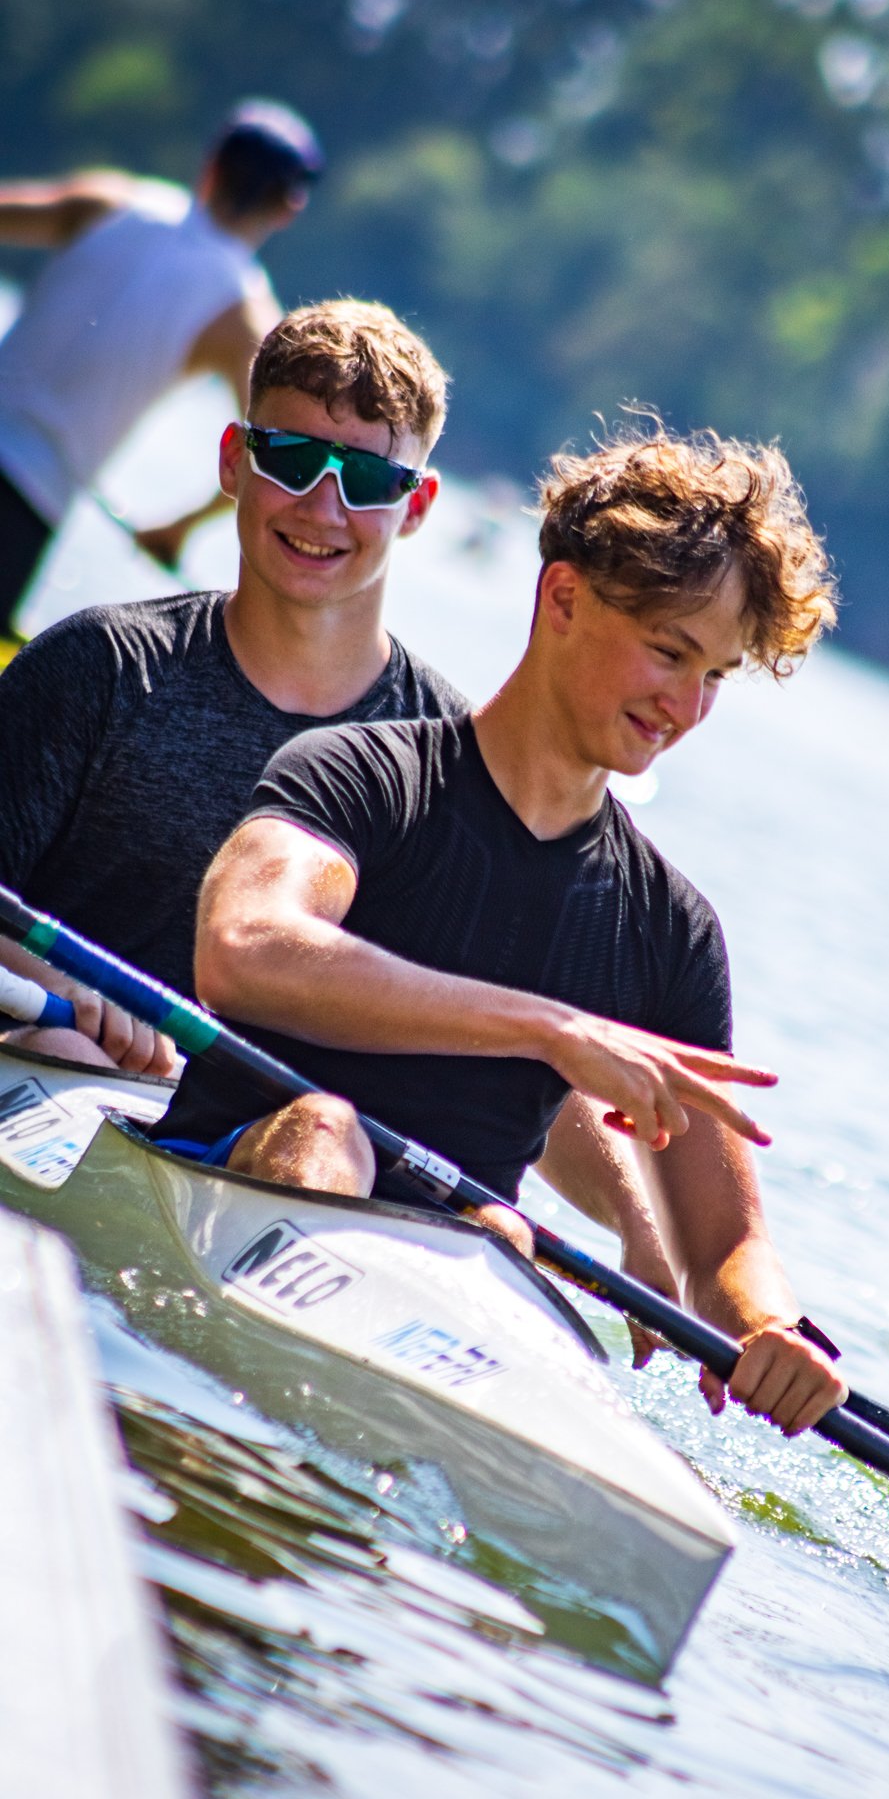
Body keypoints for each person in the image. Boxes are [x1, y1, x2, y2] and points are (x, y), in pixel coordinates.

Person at [154, 424, 848, 1432]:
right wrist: (549, 1029)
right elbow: (244, 950)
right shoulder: (359, 775)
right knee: (327, 1130)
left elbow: (723, 1248)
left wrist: (776, 1325)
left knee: (498, 1228)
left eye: (716, 674)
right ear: (563, 597)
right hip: (230, 1166)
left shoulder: (671, 932)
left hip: (445, 1254)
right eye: (669, 651)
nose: (687, 704)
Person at [0, 299, 690, 1305]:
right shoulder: (101, 666)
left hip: (298, 1155)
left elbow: (508, 1053)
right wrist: (73, 996)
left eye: (366, 477)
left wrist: (642, 1233)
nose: (323, 509)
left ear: (415, 506)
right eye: (292, 458)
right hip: (58, 1060)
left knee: (489, 1220)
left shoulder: (456, 759)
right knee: (83, 1049)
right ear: (234, 459)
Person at [0, 97, 323, 641]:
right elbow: (289, 456)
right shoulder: (240, 309)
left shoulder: (110, 199)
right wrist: (179, 528)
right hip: (24, 509)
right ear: (289, 208)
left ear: (211, 164)